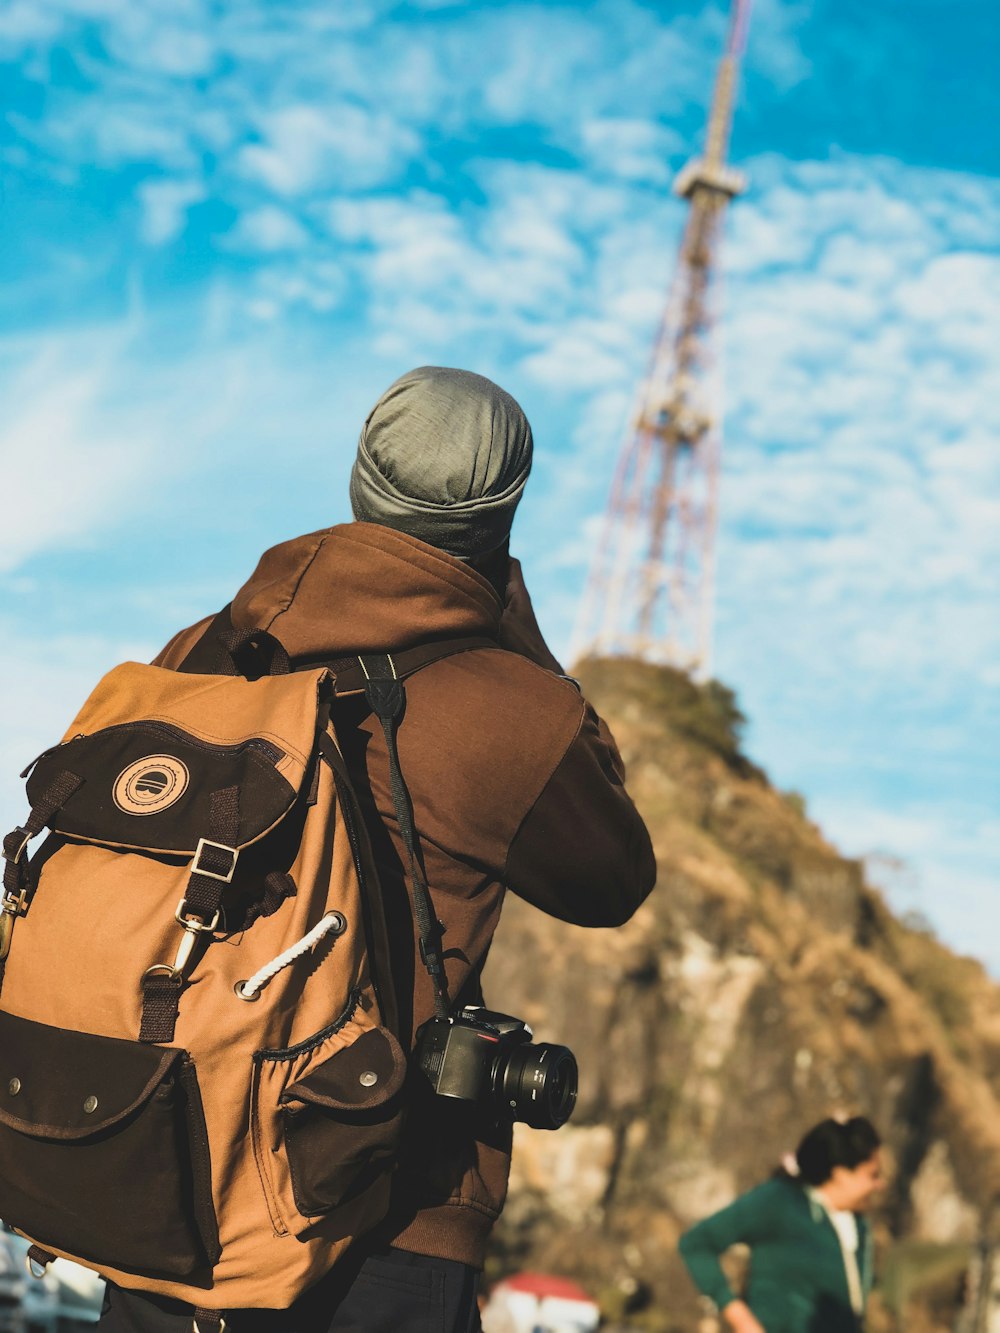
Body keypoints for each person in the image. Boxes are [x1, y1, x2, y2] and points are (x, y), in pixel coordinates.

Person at [97, 366, 656, 1333]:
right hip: (378, 1221)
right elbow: (614, 877)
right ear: (502, 515)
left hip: (168, 1182)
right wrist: (520, 633)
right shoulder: (504, 705)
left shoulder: (200, 651)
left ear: (359, 477)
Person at [679, 1117, 885, 1333]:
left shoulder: (858, 1226)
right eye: (873, 1175)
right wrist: (741, 1319)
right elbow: (696, 1243)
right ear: (840, 1173)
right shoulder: (780, 1201)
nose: (880, 1184)